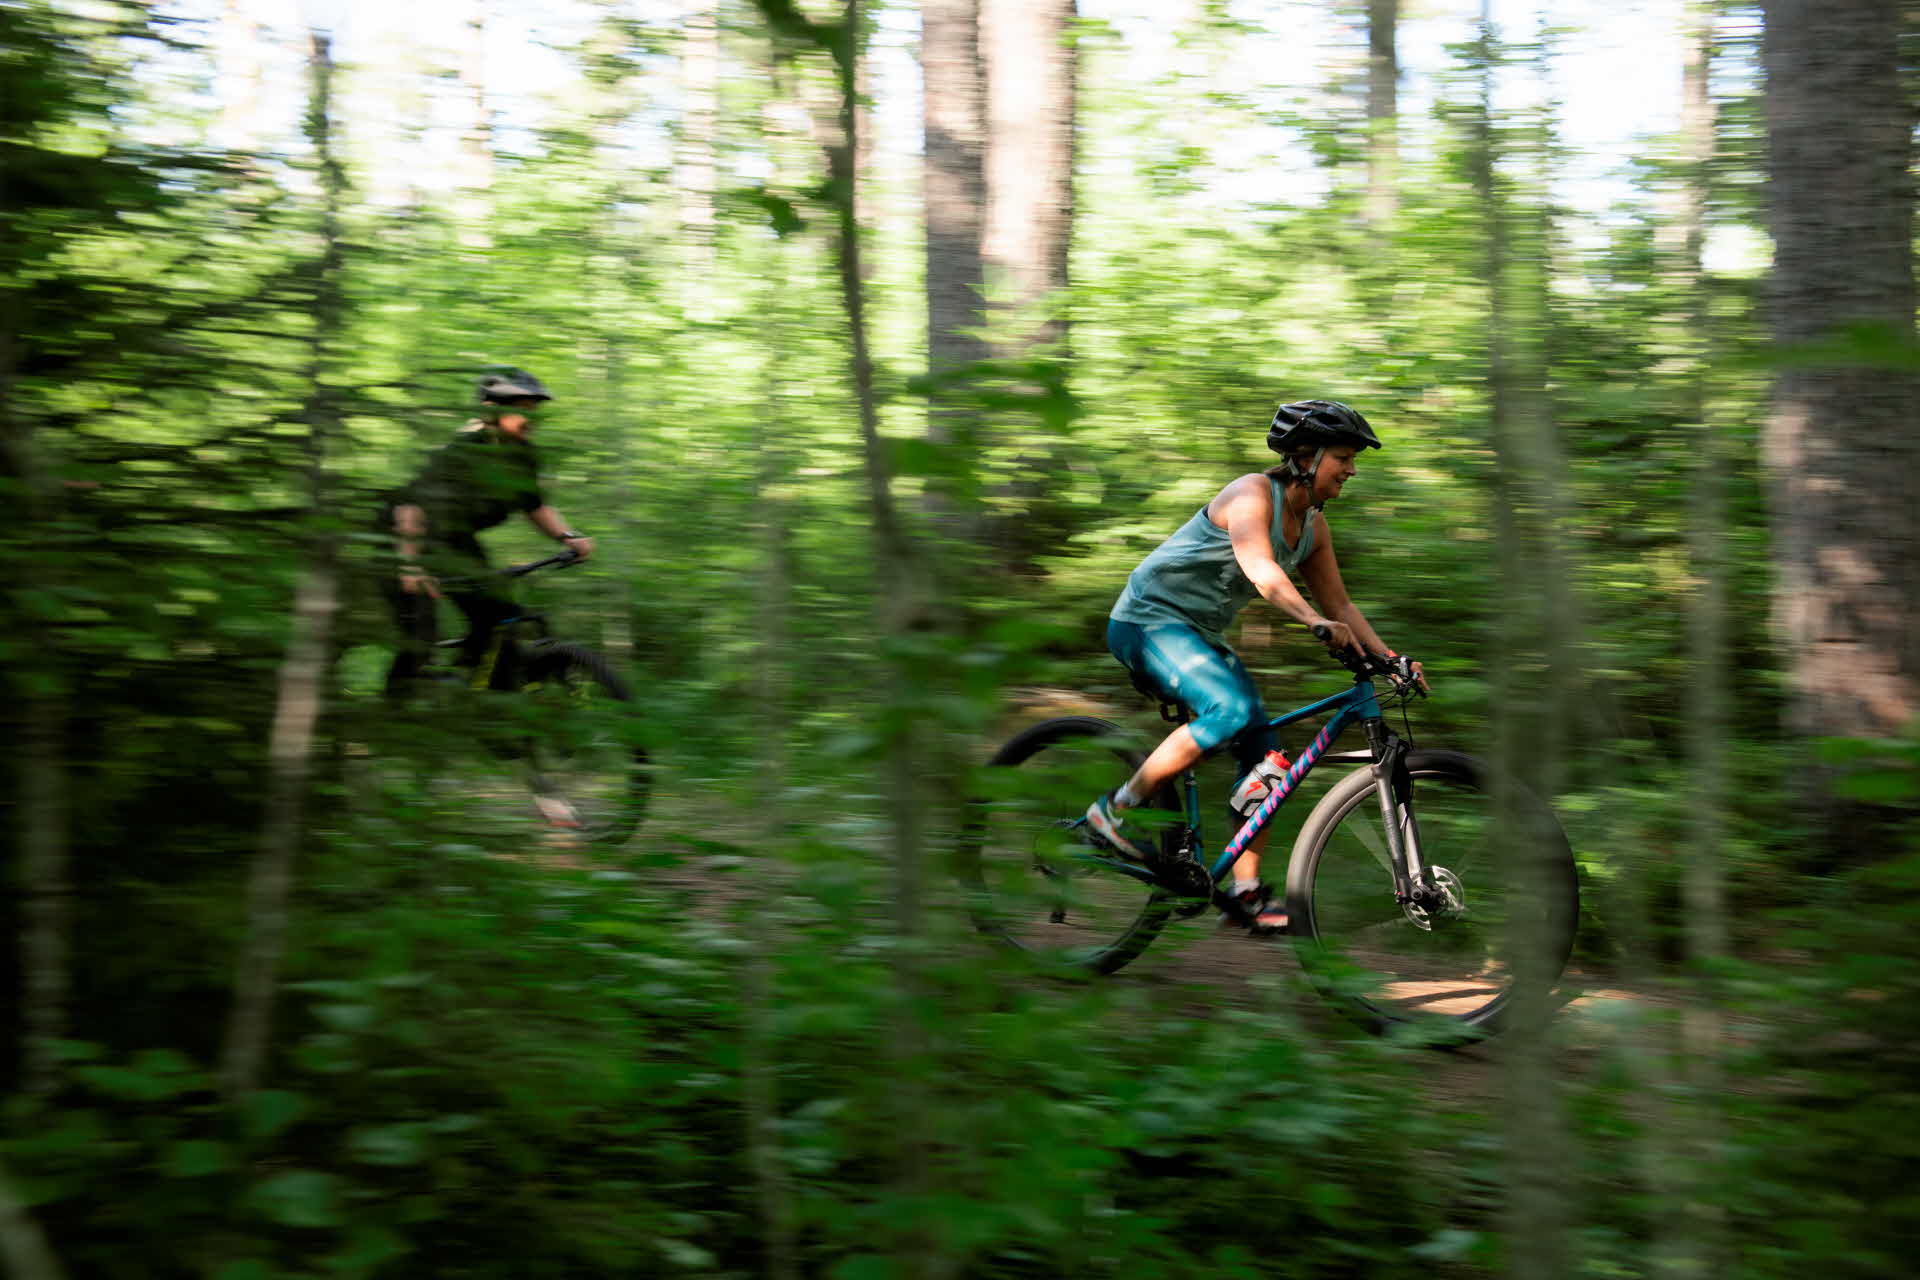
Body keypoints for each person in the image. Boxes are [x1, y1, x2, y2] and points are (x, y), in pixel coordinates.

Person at [1083, 399, 1426, 931]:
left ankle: (1245, 893)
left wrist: (1389, 659)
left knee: (1268, 759)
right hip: (1147, 622)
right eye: (1343, 457)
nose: (1352, 470)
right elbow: (1262, 571)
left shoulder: (1313, 527)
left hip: (1197, 636)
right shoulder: (1250, 495)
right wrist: (1312, 622)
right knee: (1231, 709)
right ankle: (1113, 811)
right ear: (1306, 457)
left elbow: (1343, 607)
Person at [381, 368, 594, 698]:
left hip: (456, 540)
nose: (530, 416)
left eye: (532, 408)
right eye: (520, 407)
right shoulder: (460, 452)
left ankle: (491, 708)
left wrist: (567, 536)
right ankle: (393, 714)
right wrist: (409, 566)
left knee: (501, 617)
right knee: (420, 632)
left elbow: (533, 504)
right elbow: (410, 508)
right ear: (490, 410)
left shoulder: (522, 454)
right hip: (403, 537)